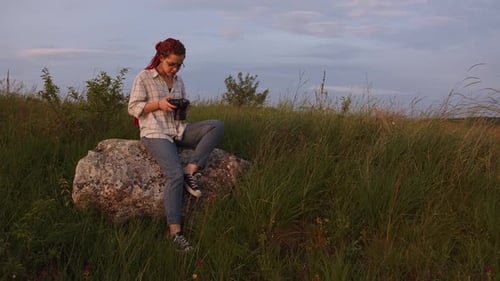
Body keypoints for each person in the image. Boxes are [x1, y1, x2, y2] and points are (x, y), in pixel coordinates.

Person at [128, 38, 224, 252]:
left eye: (179, 64)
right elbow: (133, 107)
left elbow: (179, 115)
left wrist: (183, 107)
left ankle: (191, 168)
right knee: (174, 175)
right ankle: (175, 234)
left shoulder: (178, 81)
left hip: (177, 130)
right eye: (172, 64)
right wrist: (158, 104)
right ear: (161, 58)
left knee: (216, 125)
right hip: (155, 132)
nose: (175, 68)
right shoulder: (144, 77)